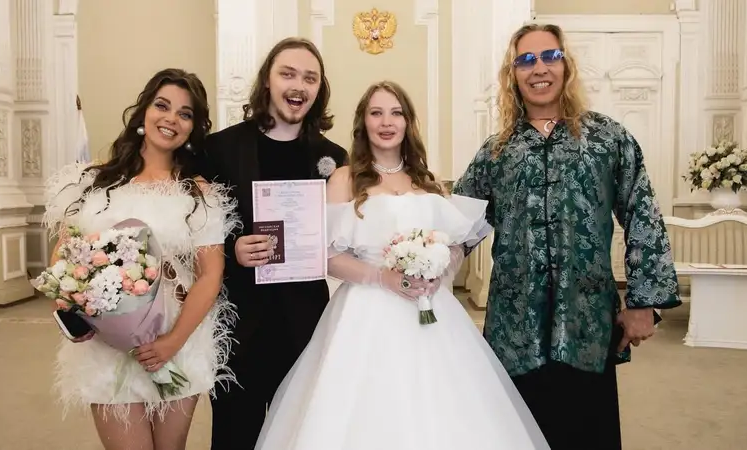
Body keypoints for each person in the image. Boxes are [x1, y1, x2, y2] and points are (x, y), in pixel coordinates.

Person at [253, 80, 550, 450]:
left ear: (408, 122)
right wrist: (381, 277)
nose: (386, 122)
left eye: (396, 113)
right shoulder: (345, 178)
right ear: (363, 122)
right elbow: (323, 255)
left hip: (430, 307)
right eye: (376, 113)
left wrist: (440, 268)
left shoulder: (426, 180)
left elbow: (455, 246)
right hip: (365, 307)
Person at [452, 23, 682, 449]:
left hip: (586, 323)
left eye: (549, 56)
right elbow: (459, 224)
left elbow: (643, 215)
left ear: (566, 66)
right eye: (526, 60)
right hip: (515, 328)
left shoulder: (607, 139)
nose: (538, 68)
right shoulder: (496, 151)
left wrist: (643, 302)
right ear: (513, 74)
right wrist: (419, 267)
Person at [43, 68, 239, 450]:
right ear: (144, 111)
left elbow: (210, 275)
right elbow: (64, 259)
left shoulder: (197, 193)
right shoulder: (94, 183)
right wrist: (74, 308)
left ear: (193, 128)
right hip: (106, 348)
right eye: (162, 106)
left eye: (185, 114)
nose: (171, 118)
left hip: (177, 342)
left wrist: (173, 341)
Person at [196, 37, 349, 449]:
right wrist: (232, 249)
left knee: (299, 434)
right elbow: (193, 227)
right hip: (239, 323)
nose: (299, 85)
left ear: (319, 89)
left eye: (310, 78)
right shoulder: (220, 148)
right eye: (288, 74)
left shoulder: (334, 157)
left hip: (304, 323)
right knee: (234, 435)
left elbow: (342, 233)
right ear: (268, 80)